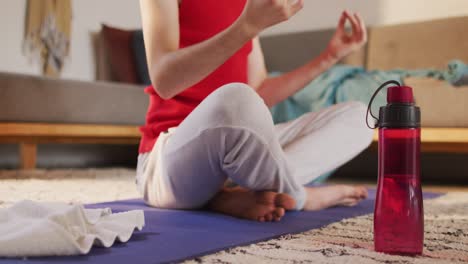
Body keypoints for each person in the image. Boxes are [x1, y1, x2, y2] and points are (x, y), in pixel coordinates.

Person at [136, 0, 373, 222]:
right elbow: (163, 81)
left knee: (361, 118)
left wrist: (329, 57)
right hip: (166, 161)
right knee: (237, 98)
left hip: (233, 160)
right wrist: (247, 26)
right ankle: (301, 196)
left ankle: (230, 195)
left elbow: (259, 91)